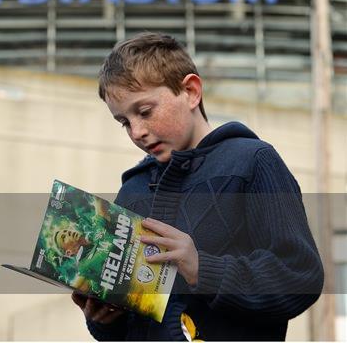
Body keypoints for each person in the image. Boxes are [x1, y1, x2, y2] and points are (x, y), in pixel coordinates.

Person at [71, 32, 324, 341]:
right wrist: (104, 319)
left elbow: (300, 277)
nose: (136, 131)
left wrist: (201, 268)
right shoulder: (133, 190)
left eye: (145, 111)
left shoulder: (253, 162)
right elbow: (134, 327)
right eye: (124, 121)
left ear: (191, 91)